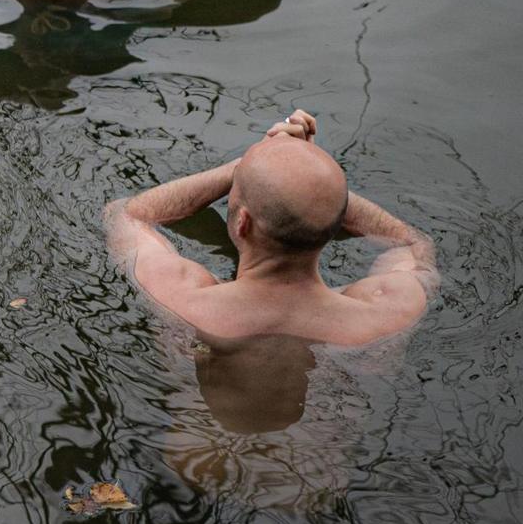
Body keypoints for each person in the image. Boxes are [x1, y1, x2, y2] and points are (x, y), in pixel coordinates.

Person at [105, 109, 434, 349]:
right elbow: (412, 243)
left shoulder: (182, 300)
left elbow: (126, 214)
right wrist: (311, 181)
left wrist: (250, 166)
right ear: (335, 227)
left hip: (204, 444)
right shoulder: (387, 314)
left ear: (242, 221)